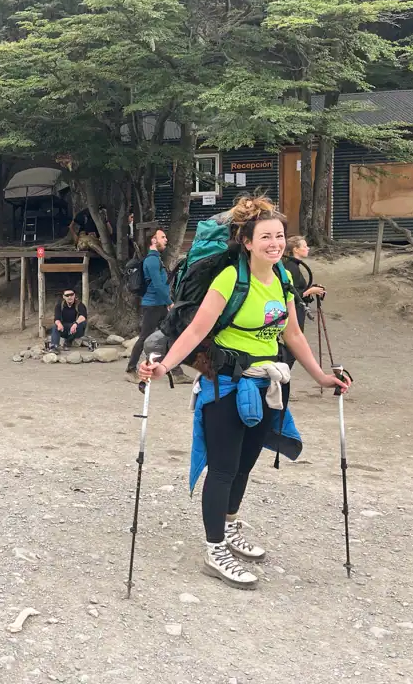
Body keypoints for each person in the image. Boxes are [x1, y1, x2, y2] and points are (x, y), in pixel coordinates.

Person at [138, 196, 350, 591]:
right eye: (266, 237)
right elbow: (196, 331)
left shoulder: (284, 278)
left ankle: (230, 526)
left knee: (245, 464)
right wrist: (164, 365)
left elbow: (292, 333)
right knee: (222, 467)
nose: (275, 243)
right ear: (247, 241)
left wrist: (321, 376)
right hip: (227, 385)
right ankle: (214, 548)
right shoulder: (230, 280)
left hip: (270, 385)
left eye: (280, 236)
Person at [126, 228, 172, 377]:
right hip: (152, 306)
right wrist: (170, 302)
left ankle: (176, 372)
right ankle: (130, 369)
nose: (166, 240)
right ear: (153, 240)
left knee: (170, 335)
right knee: (145, 337)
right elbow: (158, 285)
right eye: (162, 237)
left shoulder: (156, 259)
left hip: (159, 305)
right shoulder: (152, 260)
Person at [283, 236, 325, 330]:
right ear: (296, 250)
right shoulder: (292, 267)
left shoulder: (293, 265)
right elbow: (293, 294)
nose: (308, 248)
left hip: (296, 309)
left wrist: (313, 288)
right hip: (294, 310)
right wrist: (310, 291)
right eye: (305, 246)